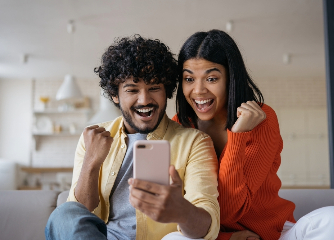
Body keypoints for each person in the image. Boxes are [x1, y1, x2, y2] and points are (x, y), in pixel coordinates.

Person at [173, 29, 334, 240]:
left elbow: (229, 208)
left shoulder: (261, 118)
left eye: (212, 78)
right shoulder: (179, 126)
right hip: (212, 238)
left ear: (230, 78)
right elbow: (191, 211)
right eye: (189, 79)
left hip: (274, 236)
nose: (198, 90)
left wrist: (238, 135)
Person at [45, 35, 220, 240]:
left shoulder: (194, 142)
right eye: (132, 90)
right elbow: (77, 217)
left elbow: (208, 225)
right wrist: (91, 163)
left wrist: (182, 211)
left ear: (167, 91)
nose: (144, 100)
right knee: (64, 215)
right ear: (115, 95)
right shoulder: (92, 138)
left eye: (154, 88)